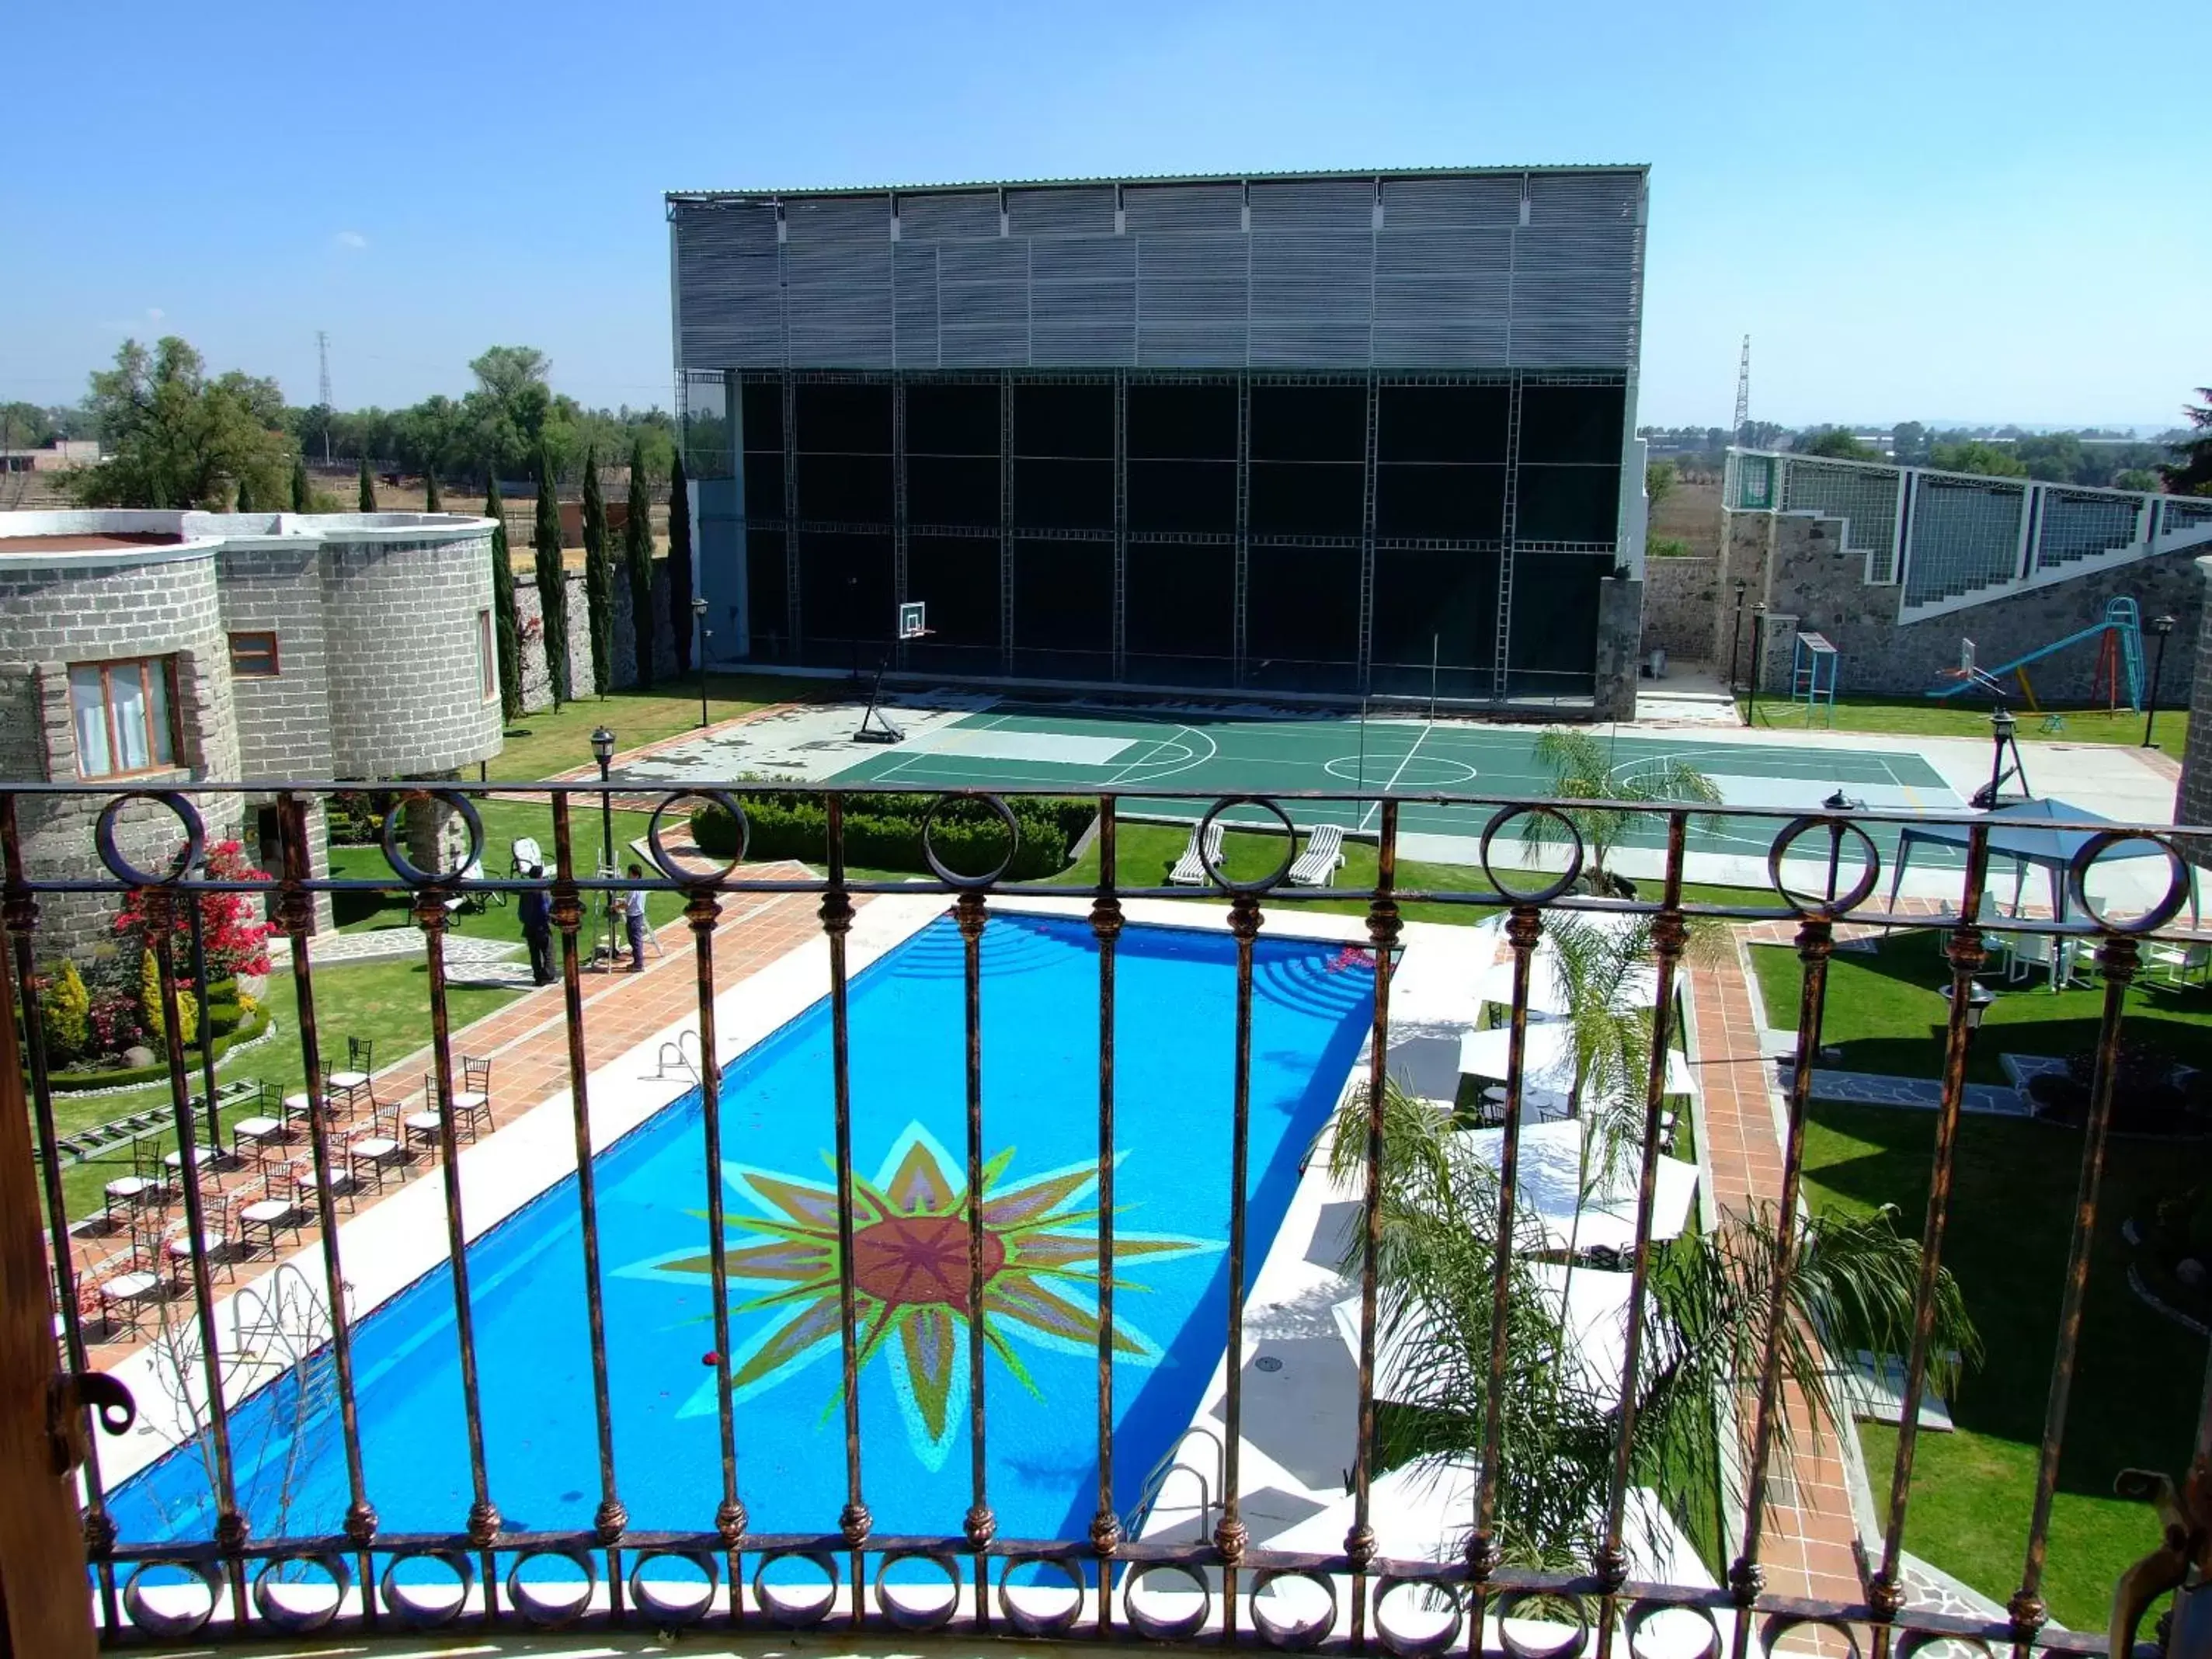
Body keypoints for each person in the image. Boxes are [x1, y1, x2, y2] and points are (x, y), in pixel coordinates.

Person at [518, 866, 555, 986]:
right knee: (547, 951)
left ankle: (538, 977)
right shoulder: (544, 889)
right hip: (542, 925)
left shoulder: (525, 889)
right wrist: (550, 918)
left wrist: (524, 919)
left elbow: (522, 909)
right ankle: (548, 975)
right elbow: (546, 907)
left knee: (534, 953)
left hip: (529, 925)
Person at [624, 864, 649, 972]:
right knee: (635, 940)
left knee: (635, 940)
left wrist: (614, 907)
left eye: (629, 873)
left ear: (635, 875)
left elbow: (627, 905)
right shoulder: (642, 885)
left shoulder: (632, 888)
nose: (627, 875)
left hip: (633, 917)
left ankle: (638, 965)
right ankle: (637, 962)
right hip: (638, 915)